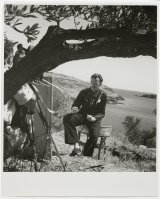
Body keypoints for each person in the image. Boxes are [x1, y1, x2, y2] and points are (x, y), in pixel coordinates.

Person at [63, 73, 107, 157]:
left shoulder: (103, 95)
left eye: (96, 82)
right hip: (82, 115)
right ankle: (76, 145)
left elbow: (102, 113)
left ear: (100, 83)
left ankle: (86, 156)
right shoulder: (83, 92)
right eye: (92, 82)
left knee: (94, 136)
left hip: (94, 118)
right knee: (67, 118)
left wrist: (94, 118)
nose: (93, 84)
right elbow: (76, 104)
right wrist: (74, 108)